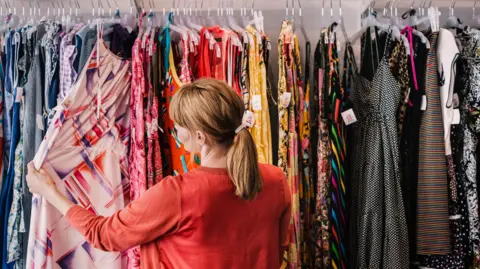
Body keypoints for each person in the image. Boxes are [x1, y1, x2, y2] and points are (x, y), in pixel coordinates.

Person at [26, 78, 292, 269]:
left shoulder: (178, 193)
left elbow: (105, 235)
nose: (176, 134)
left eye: (178, 128)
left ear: (200, 136)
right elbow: (277, 250)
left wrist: (51, 192)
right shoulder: (276, 180)